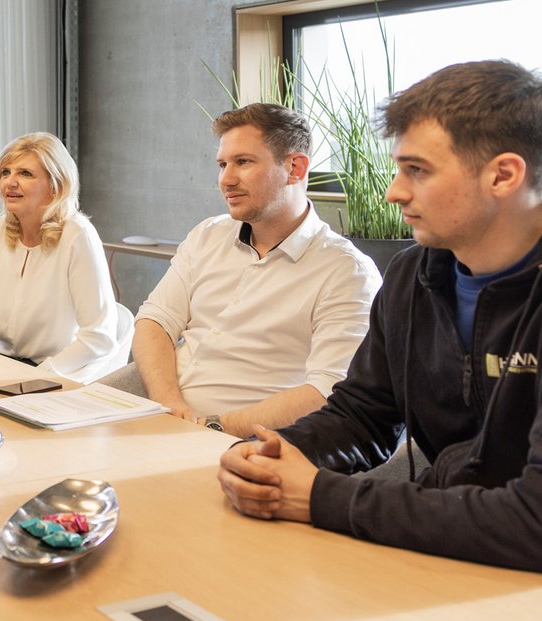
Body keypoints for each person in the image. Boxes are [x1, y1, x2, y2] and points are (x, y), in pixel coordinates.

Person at [218, 60, 542, 578]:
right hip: (447, 540)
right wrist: (269, 456)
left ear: (503, 174)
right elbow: (363, 414)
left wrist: (322, 497)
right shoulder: (416, 274)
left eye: (418, 170)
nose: (394, 191)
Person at [130, 103, 380, 438]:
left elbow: (327, 391)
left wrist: (212, 427)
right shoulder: (208, 234)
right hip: (166, 419)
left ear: (295, 167)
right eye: (222, 164)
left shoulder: (347, 272)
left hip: (249, 443)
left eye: (243, 162)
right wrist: (169, 406)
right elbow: (154, 321)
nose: (226, 180)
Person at [0, 132, 132, 383]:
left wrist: (39, 377)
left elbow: (99, 336)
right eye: (5, 172)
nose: (10, 182)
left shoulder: (77, 235)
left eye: (25, 174)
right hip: (3, 366)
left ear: (55, 186)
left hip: (55, 374)